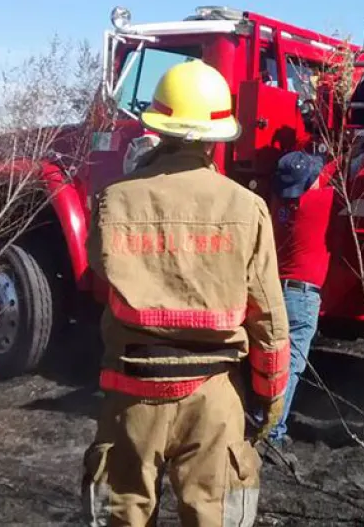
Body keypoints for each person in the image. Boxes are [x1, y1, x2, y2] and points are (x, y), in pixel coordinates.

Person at [82, 59, 290, 527]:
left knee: (121, 515)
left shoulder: (115, 199)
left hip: (131, 393)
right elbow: (268, 320)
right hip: (215, 399)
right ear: (218, 138)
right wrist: (269, 399)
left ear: (156, 126)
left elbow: (101, 270)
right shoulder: (247, 207)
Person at [257, 151, 334, 463]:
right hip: (302, 298)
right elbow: (353, 180)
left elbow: (321, 178)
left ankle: (257, 420)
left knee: (271, 360)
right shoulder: (319, 204)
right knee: (292, 366)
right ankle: (272, 433)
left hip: (276, 291)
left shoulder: (280, 205)